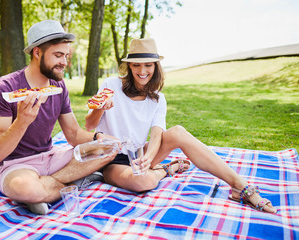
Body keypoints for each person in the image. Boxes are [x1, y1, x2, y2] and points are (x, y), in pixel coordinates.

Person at [85, 38, 277, 213]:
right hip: (112, 159)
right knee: (143, 181)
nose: (142, 71)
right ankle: (165, 170)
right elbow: (88, 125)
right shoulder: (111, 85)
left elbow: (157, 133)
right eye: (136, 65)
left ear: (156, 66)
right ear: (129, 66)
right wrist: (100, 108)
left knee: (178, 132)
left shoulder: (158, 99)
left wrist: (148, 158)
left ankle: (240, 186)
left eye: (148, 65)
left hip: (139, 154)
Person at [0, 20, 117, 215]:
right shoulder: (4, 88)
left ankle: (45, 191)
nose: (64, 62)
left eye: (65, 55)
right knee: (25, 187)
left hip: (51, 158)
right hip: (17, 165)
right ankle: (66, 184)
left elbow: (73, 134)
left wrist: (99, 139)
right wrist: (22, 122)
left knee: (108, 151)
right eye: (58, 55)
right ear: (37, 53)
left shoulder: (59, 87)